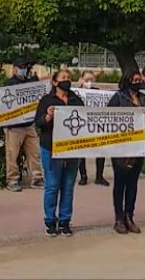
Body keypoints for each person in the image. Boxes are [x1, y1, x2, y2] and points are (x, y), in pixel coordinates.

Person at [35, 69, 84, 237]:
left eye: (69, 78)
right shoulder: (47, 100)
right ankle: (50, 220)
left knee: (68, 185)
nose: (67, 80)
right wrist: (48, 117)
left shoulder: (75, 100)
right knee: (52, 184)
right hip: (51, 147)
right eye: (63, 78)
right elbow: (39, 122)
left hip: (72, 148)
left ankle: (65, 220)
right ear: (55, 82)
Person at [108, 70, 145, 234]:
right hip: (121, 146)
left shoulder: (144, 99)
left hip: (139, 145)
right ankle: (119, 218)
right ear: (127, 81)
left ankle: (129, 216)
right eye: (134, 80)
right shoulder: (119, 98)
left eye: (139, 80)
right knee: (120, 183)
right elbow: (108, 118)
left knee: (133, 184)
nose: (137, 82)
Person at [1, 60, 44, 192]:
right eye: (21, 67)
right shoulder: (8, 84)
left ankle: (37, 178)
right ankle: (12, 180)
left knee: (35, 153)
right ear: (14, 69)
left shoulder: (29, 83)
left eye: (25, 67)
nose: (23, 70)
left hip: (29, 124)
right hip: (14, 126)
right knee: (12, 155)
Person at [76, 70, 108, 186]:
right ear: (81, 79)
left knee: (101, 150)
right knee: (81, 150)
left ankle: (99, 176)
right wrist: (78, 88)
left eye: (91, 80)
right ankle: (83, 176)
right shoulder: (76, 92)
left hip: (95, 124)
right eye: (86, 80)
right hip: (81, 124)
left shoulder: (97, 92)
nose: (88, 82)